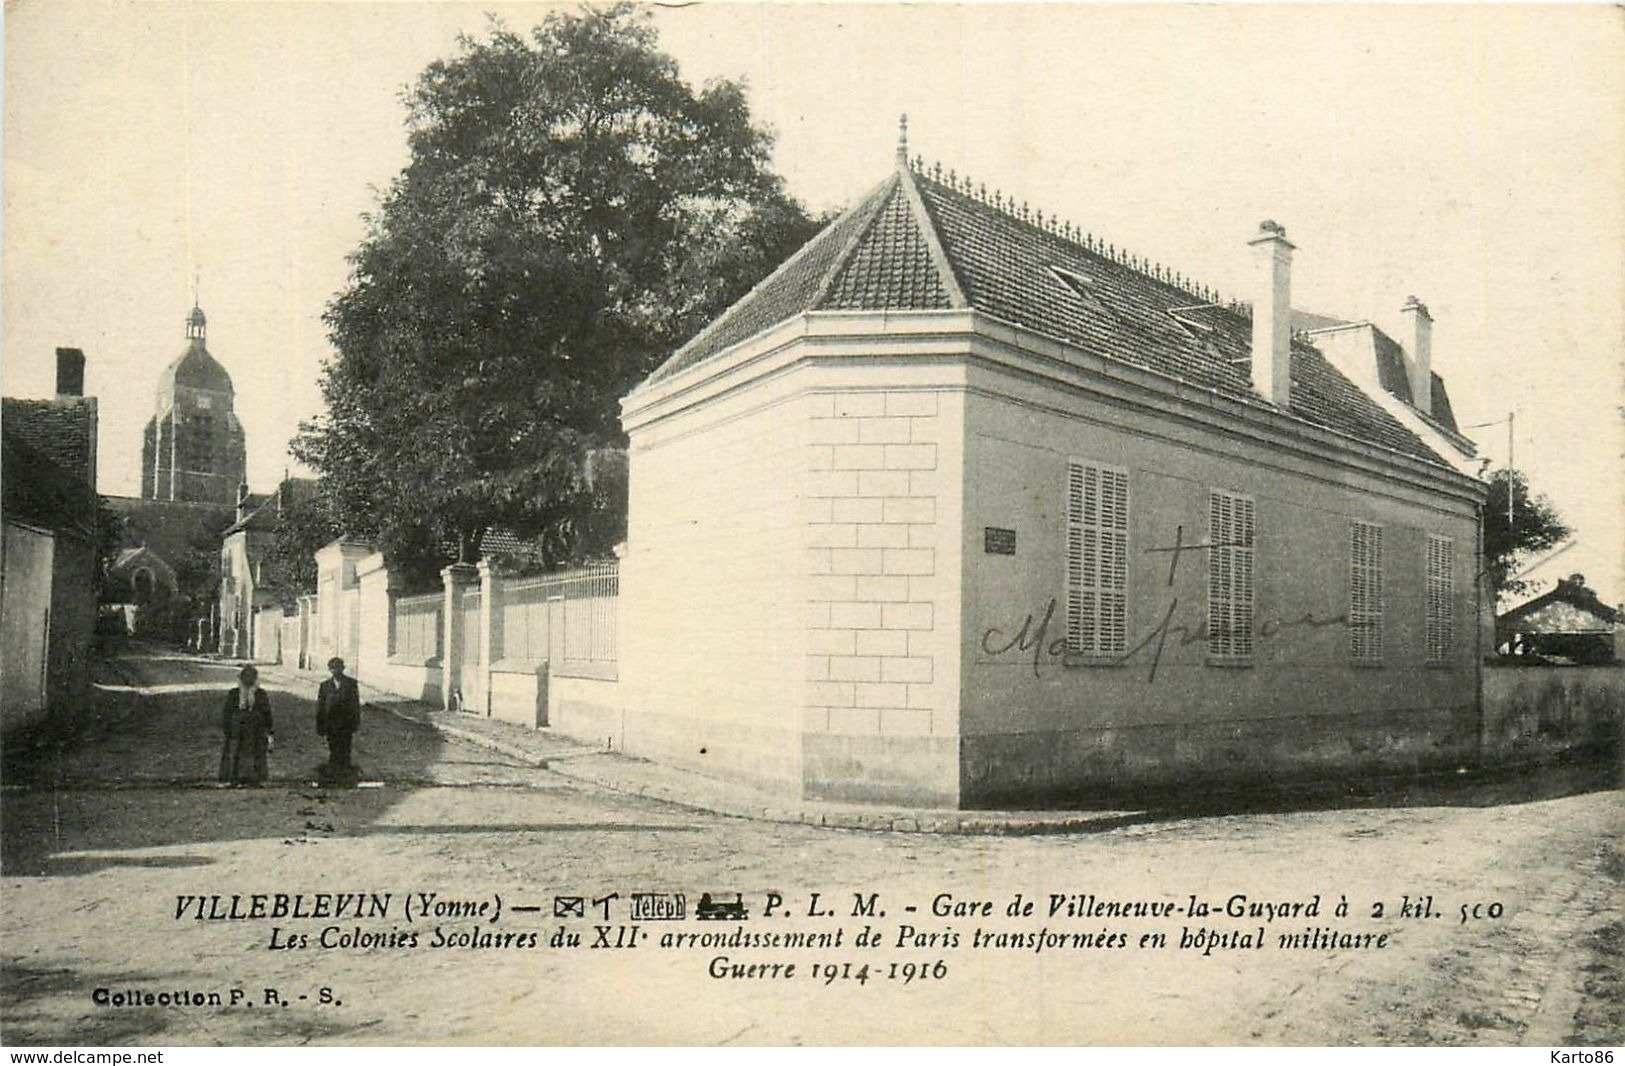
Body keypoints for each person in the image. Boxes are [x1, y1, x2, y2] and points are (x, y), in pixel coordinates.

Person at [220, 665, 273, 786]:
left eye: (251, 678)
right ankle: (234, 777)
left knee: (256, 752)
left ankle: (255, 778)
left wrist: (268, 730)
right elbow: (227, 712)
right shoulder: (234, 693)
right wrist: (227, 728)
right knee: (235, 752)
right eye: (246, 678)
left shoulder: (260, 694)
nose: (248, 681)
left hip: (256, 729)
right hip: (237, 729)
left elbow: (266, 712)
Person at [316, 656, 361, 777]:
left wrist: (355, 723)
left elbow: (355, 705)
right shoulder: (325, 686)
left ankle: (345, 775)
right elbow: (321, 707)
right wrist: (320, 726)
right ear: (329, 670)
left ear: (342, 669)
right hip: (331, 725)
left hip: (346, 724)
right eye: (332, 669)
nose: (335, 671)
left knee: (345, 749)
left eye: (337, 668)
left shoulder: (351, 684)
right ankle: (335, 774)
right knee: (333, 749)